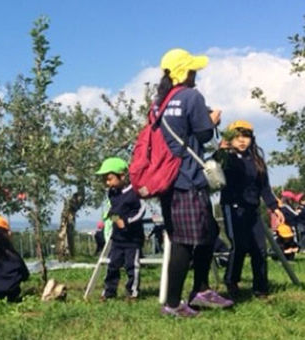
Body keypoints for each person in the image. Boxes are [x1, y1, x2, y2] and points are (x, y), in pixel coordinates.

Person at [157, 48, 233, 317]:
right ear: (184, 72)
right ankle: (173, 304)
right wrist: (212, 121)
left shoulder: (161, 102)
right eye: (193, 69)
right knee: (184, 241)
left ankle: (200, 290)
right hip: (188, 180)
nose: (196, 74)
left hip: (166, 180)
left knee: (208, 232)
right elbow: (203, 136)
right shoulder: (191, 96)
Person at [214, 120, 284, 298]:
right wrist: (220, 150)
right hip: (233, 206)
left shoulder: (256, 161)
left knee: (260, 248)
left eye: (246, 136)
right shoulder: (226, 158)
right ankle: (232, 280)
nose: (242, 140)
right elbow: (212, 167)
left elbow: (264, 187)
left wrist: (274, 207)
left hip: (253, 209)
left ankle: (261, 287)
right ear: (230, 139)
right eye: (237, 136)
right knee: (239, 245)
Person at [96, 157, 146, 301]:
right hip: (117, 238)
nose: (107, 183)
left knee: (132, 266)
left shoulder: (134, 192)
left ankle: (132, 292)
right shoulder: (112, 193)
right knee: (113, 265)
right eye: (105, 179)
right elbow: (111, 212)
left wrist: (127, 222)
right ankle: (109, 292)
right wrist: (114, 219)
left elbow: (141, 210)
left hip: (133, 239)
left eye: (110, 179)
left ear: (122, 176)